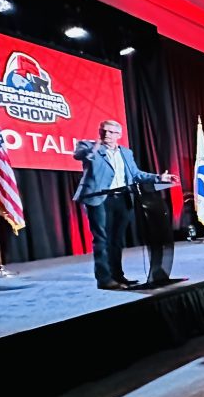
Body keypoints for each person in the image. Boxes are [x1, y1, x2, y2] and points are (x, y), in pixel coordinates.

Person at [73, 120, 178, 289]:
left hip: (122, 198)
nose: (107, 134)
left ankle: (118, 276)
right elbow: (80, 156)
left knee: (117, 239)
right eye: (104, 131)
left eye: (111, 132)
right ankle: (104, 279)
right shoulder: (88, 146)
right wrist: (95, 148)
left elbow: (135, 174)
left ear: (119, 135)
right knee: (102, 239)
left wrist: (158, 177)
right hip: (98, 198)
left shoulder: (126, 153)